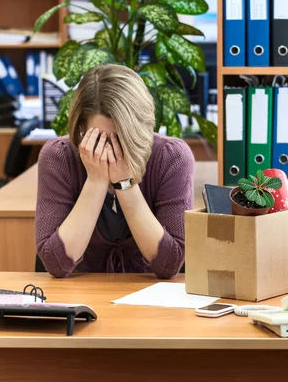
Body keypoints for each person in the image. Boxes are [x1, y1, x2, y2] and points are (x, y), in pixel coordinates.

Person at [35, 63, 195, 279]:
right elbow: (56, 264)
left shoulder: (171, 157)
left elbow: (169, 265)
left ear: (142, 129)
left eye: (122, 138)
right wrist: (96, 181)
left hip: (148, 297)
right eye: (99, 138)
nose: (111, 150)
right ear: (81, 129)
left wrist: (125, 183)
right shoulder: (59, 157)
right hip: (79, 296)